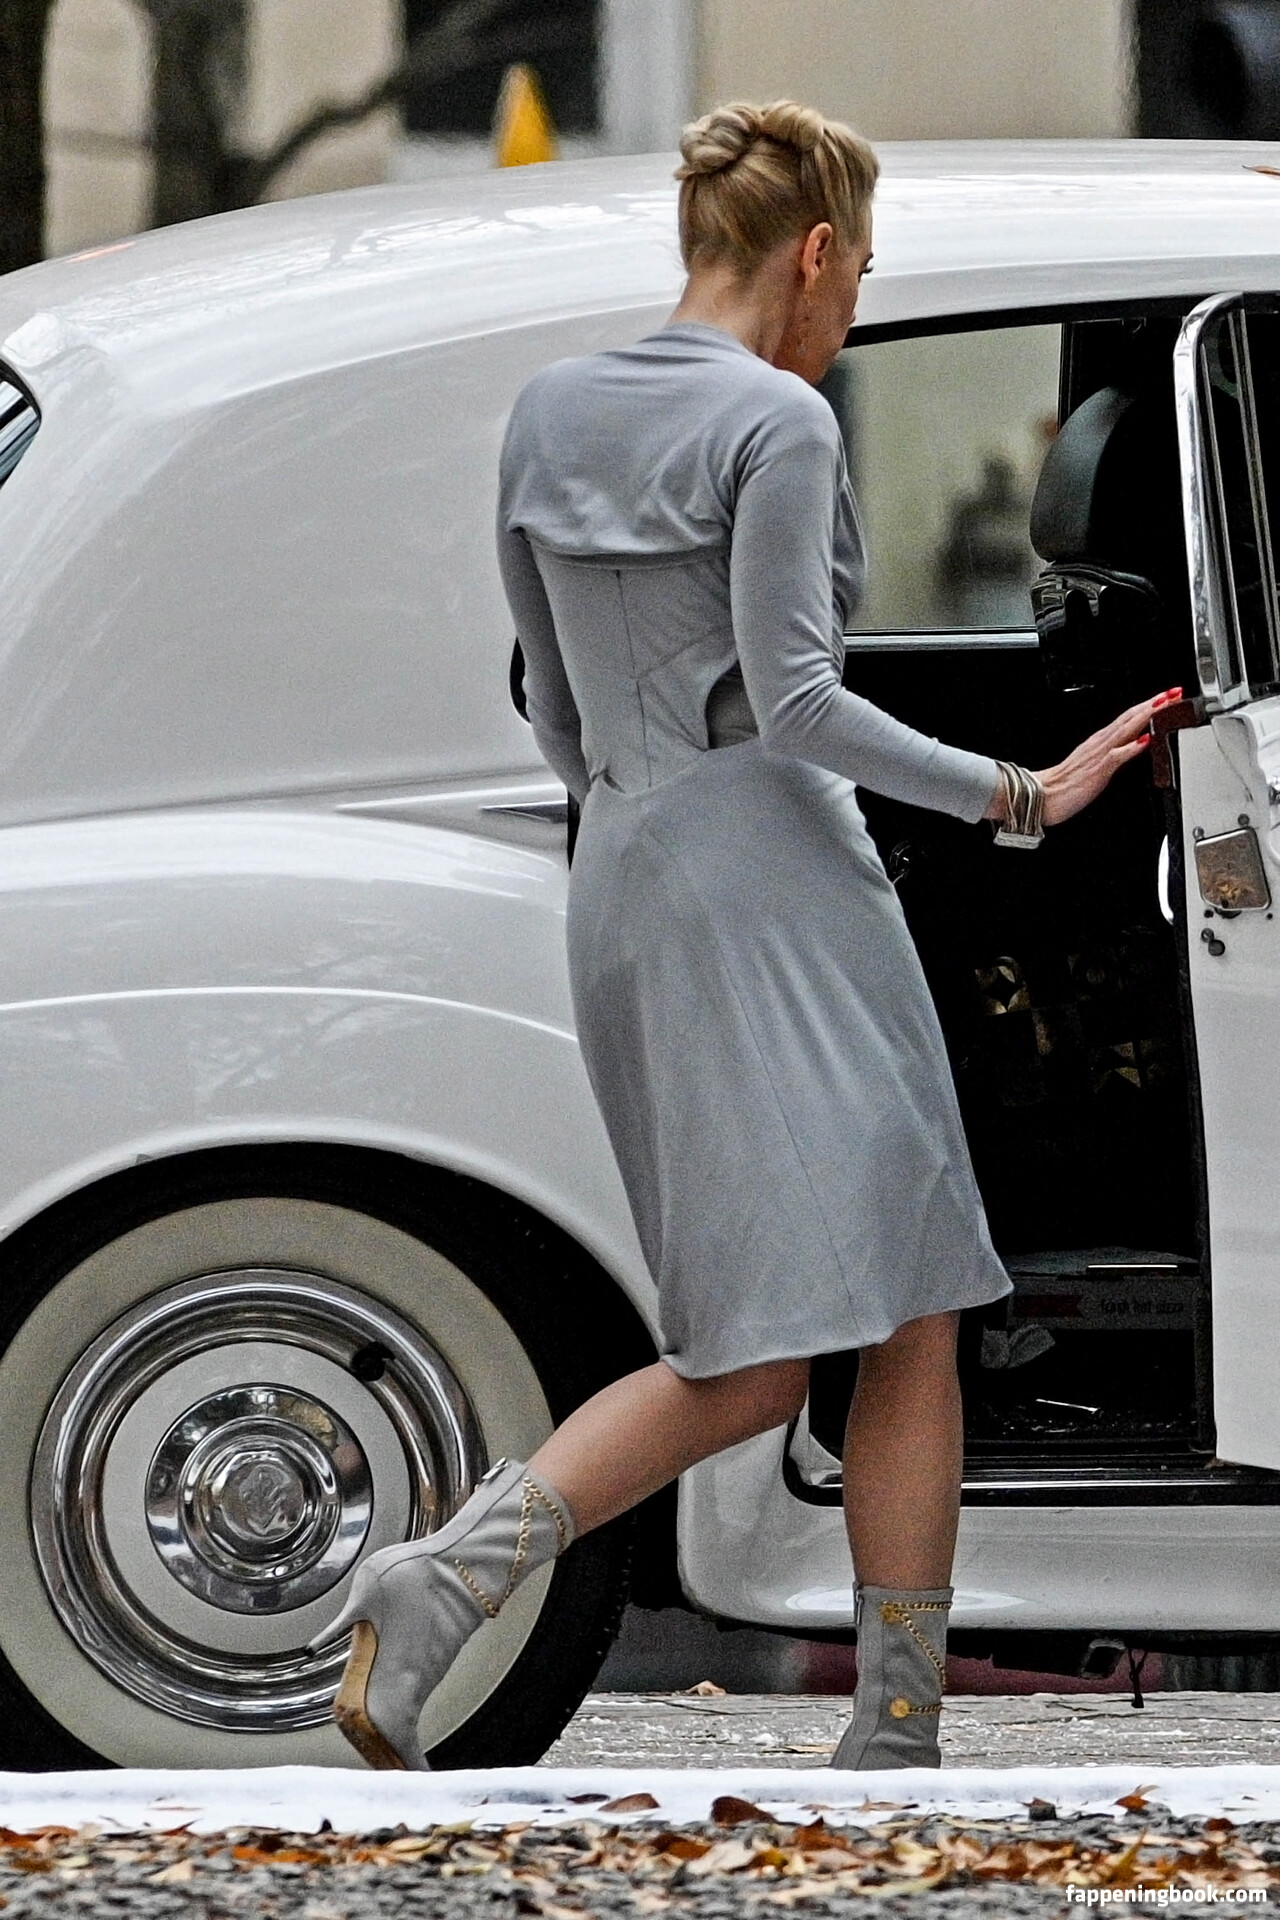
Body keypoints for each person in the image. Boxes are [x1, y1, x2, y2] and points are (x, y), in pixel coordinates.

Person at [319, 100, 1171, 1773]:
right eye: (862, 276)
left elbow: (551, 702)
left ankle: (864, 1721)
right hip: (781, 884)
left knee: (824, 1321)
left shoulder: (549, 412)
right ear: (817, 252)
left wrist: (648, 814)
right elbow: (799, 704)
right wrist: (1024, 793)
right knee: (853, 1324)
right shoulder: (779, 422)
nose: (851, 311)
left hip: (628, 874)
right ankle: (831, 1705)